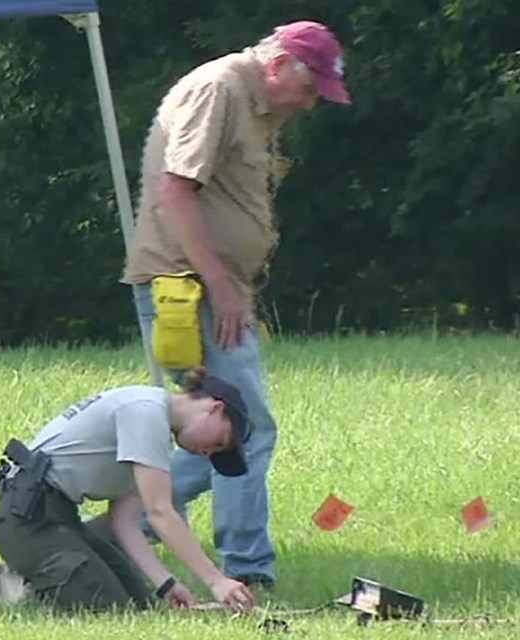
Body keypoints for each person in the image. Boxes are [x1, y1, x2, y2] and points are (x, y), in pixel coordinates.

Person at [123, 20, 352, 589]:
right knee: (242, 428)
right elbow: (177, 191)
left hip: (212, 290)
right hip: (190, 290)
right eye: (309, 89)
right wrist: (222, 286)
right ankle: (247, 570)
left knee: (217, 432)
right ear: (279, 65)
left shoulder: (256, 104)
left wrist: (235, 288)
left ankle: (121, 528)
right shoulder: (218, 90)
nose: (309, 104)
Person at [0, 368, 255, 612]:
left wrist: (167, 584)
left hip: (58, 519)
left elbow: (124, 522)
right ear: (215, 409)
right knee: (107, 607)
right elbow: (160, 512)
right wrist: (216, 580)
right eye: (219, 442)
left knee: (140, 604)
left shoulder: (155, 431)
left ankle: (39, 572)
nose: (209, 453)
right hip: (30, 517)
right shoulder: (146, 412)